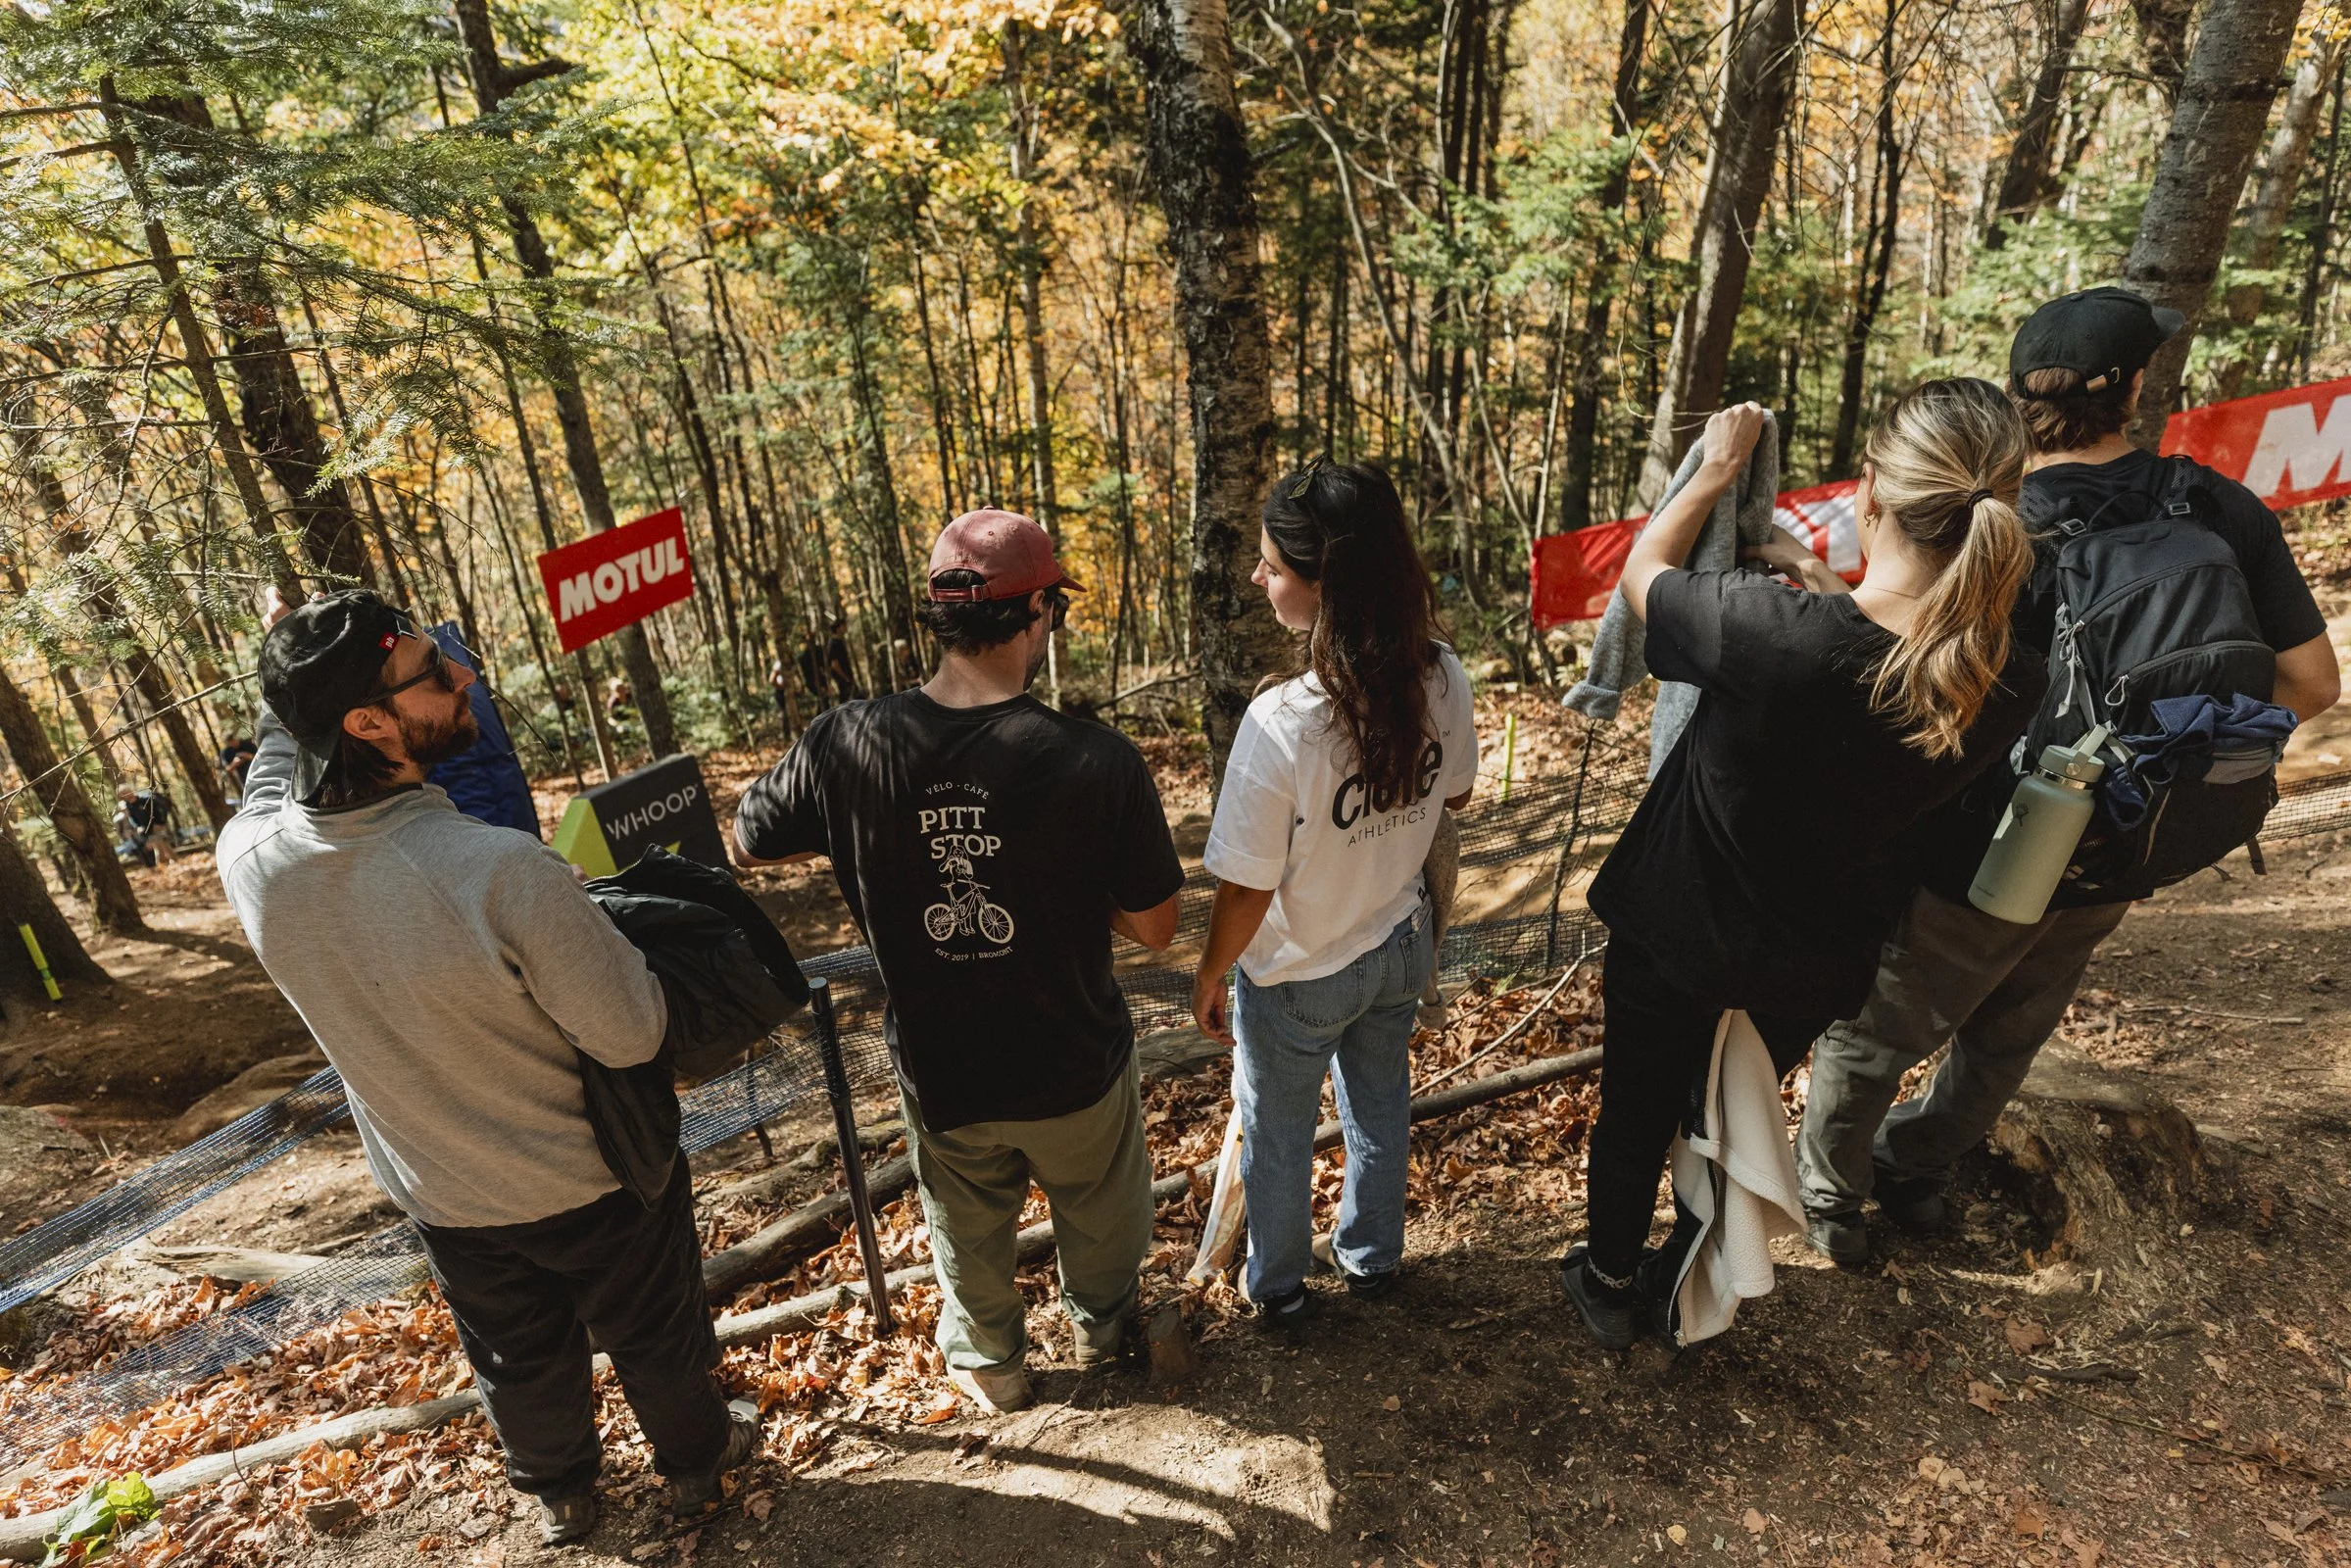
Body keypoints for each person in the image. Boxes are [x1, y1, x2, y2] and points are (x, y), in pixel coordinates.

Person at [1795, 291, 2344, 1260]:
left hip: (1982, 846)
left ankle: (1830, 1202)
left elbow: (1899, 691)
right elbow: (2308, 682)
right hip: (2131, 834)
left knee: (1874, 1035)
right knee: (2009, 1031)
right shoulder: (2213, 505)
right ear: (2133, 389)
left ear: (2014, 400)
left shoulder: (1984, 522)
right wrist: (2162, 756)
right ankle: (1916, 1170)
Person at [217, 589, 758, 1545]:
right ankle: (696, 1465)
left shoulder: (251, 859)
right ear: (367, 722)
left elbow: (273, 766)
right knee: (654, 1331)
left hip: (444, 1192)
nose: (465, 675)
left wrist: (285, 650)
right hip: (591, 1179)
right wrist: (611, 930)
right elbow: (631, 1033)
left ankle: (560, 1493)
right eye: (434, 672)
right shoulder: (499, 869)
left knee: (516, 1353)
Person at [1560, 382, 2051, 1348]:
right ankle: (1679, 1275)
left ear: (1865, 494)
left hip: (1676, 929)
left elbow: (1643, 572)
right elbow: (1880, 655)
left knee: (1632, 1118)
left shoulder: (1766, 634)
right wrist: (1809, 574)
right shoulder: (2006, 676)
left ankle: (1609, 1280)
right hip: (1815, 955)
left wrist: (1711, 470)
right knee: (1726, 1113)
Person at [731, 510, 1183, 1414]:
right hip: (1072, 1057)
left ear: (936, 617)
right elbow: (1155, 927)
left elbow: (748, 840)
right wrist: (1055, 883)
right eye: (1052, 603)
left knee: (965, 1221)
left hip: (942, 1063)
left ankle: (990, 1364)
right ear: (1037, 615)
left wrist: (866, 838)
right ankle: (1100, 1328)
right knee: (1100, 1207)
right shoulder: (1095, 760)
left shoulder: (847, 742)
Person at [1188, 463, 1477, 1325]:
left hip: (1297, 971)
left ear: (1323, 586)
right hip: (1396, 944)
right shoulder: (1441, 674)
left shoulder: (1283, 721)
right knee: (1380, 1106)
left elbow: (1244, 886)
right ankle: (1371, 1258)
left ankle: (1277, 1288)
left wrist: (1209, 975)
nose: (1255, 576)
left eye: (1272, 565)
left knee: (1276, 1138)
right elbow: (1453, 794)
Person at [115, 785, 176, 865]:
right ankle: (172, 861)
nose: (128, 794)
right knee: (161, 844)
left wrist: (161, 822)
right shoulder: (128, 806)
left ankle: (164, 863)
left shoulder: (145, 799)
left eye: (128, 791)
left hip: (157, 825)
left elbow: (161, 809)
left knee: (159, 844)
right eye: (124, 793)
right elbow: (133, 819)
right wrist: (138, 827)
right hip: (146, 829)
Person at [824, 616, 862, 702]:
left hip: (847, 678)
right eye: (843, 626)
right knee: (847, 701)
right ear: (838, 629)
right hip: (843, 680)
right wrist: (845, 678)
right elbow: (834, 664)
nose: (845, 627)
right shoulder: (833, 644)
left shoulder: (839, 642)